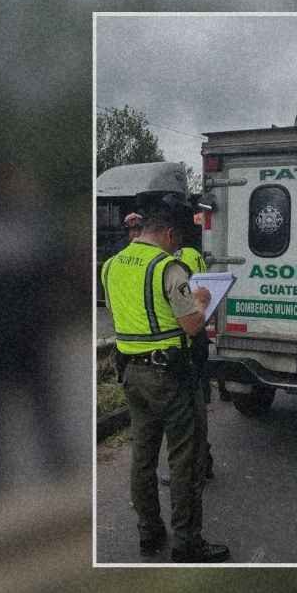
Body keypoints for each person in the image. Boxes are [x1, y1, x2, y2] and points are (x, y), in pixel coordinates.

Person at [101, 200, 230, 563]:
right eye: (177, 242)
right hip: (170, 377)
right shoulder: (167, 268)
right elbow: (192, 325)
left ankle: (149, 533)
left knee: (142, 457)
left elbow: (116, 313)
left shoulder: (111, 265)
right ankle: (187, 544)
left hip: (131, 374)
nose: (177, 249)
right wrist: (201, 300)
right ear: (169, 234)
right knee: (184, 460)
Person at [174, 238, 215, 482]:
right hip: (197, 346)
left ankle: (196, 468)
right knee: (196, 412)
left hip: (191, 348)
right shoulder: (191, 254)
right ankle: (202, 463)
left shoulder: (179, 261)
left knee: (191, 415)